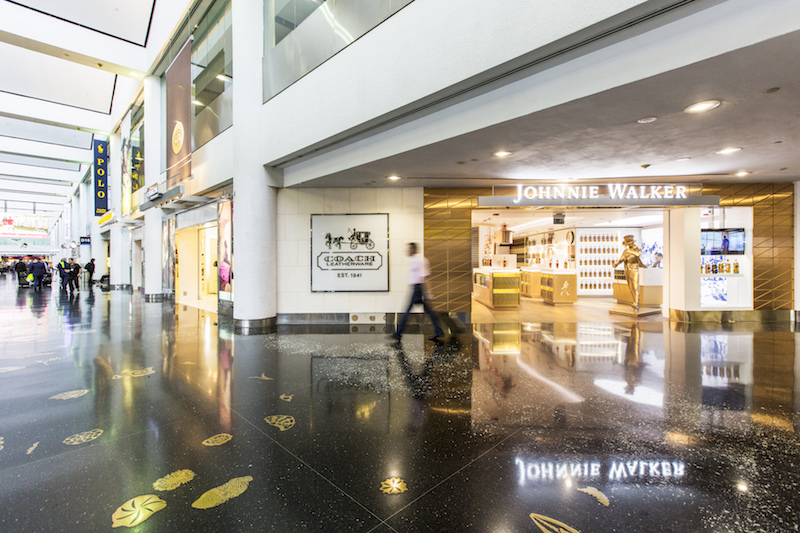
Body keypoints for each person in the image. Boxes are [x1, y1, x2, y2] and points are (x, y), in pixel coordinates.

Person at [391, 243, 444, 341]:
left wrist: (428, 293)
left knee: (407, 311)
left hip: (419, 289)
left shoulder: (420, 260)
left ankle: (398, 333)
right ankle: (439, 331)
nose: (407, 251)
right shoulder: (413, 260)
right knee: (429, 312)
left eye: (409, 249)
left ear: (414, 249)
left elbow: (425, 277)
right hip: (416, 288)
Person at [613, 235, 648, 310]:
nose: (627, 246)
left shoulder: (634, 251)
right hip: (627, 270)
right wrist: (616, 264)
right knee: (631, 287)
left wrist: (629, 250)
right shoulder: (625, 252)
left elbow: (638, 255)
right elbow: (621, 259)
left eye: (628, 244)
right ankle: (634, 301)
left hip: (634, 270)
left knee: (635, 287)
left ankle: (636, 303)